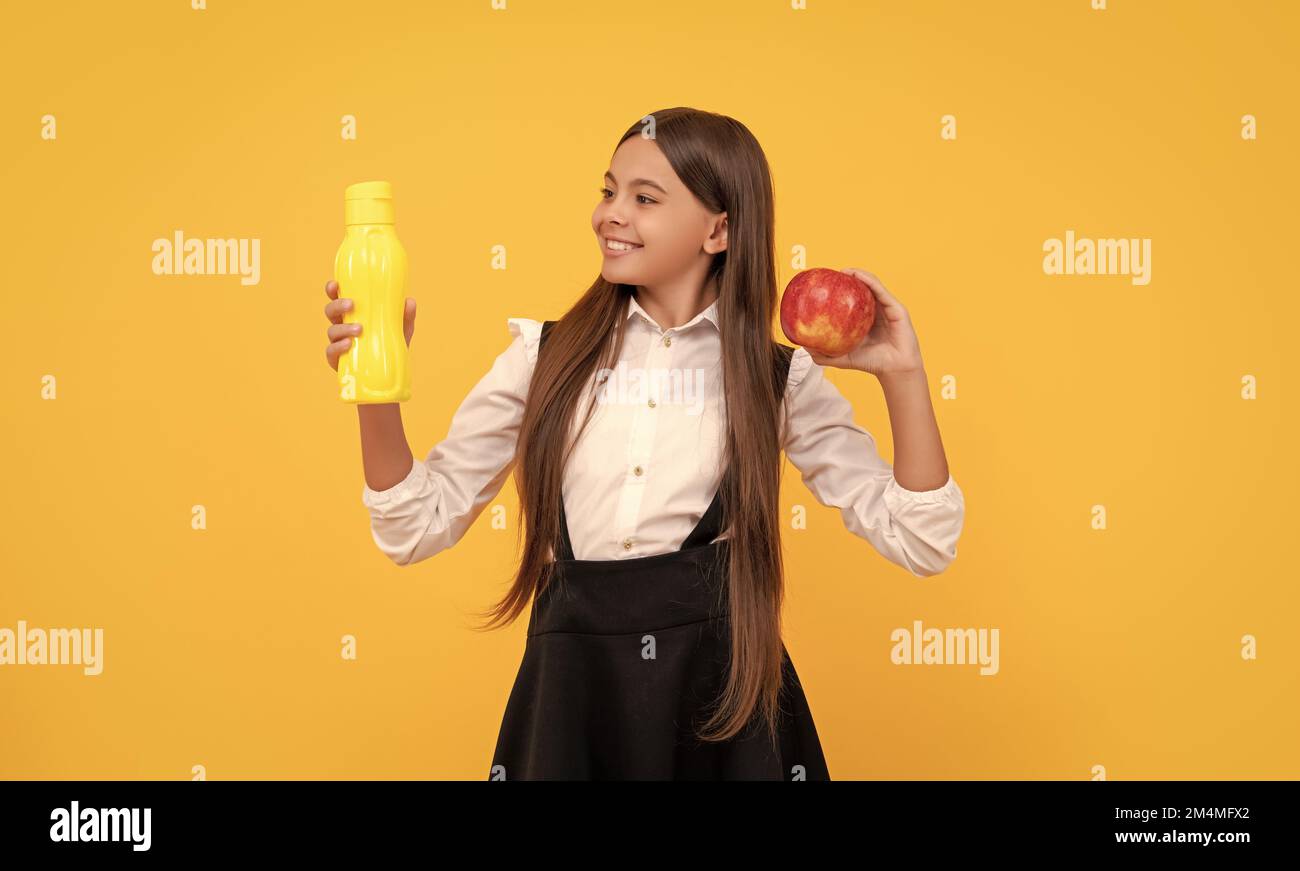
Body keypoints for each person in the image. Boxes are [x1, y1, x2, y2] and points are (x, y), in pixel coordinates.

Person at [322, 107, 965, 780]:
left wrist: (903, 375)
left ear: (718, 229)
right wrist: (373, 383)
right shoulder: (541, 358)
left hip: (722, 713)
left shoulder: (775, 380)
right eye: (608, 191)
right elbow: (414, 526)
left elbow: (921, 538)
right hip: (574, 705)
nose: (610, 215)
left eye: (644, 198)